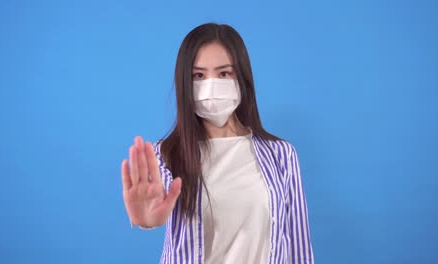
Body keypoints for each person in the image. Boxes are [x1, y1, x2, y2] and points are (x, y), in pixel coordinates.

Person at [121, 23, 314, 264]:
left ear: (242, 78)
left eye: (224, 73)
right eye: (198, 76)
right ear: (185, 84)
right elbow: (158, 196)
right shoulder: (167, 154)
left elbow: (298, 249)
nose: (211, 85)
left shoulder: (281, 155)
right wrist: (148, 218)